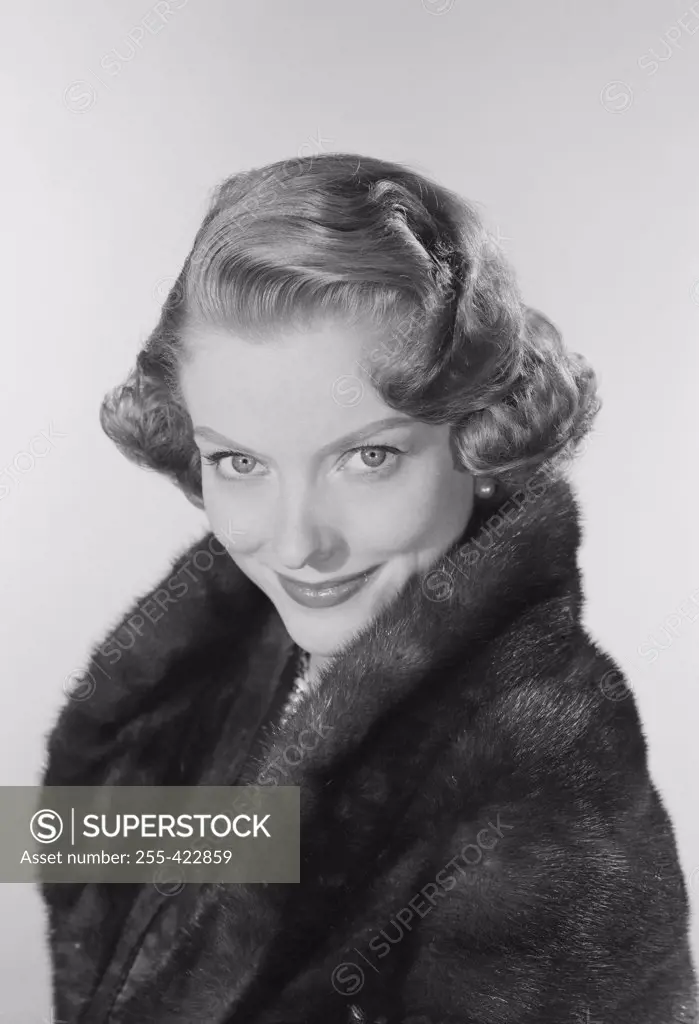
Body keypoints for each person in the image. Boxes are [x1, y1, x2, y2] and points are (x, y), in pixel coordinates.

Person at [40, 153, 697, 1023]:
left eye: (367, 457)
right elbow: (239, 854)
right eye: (239, 461)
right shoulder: (249, 652)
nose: (296, 541)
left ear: (478, 436)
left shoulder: (544, 770)